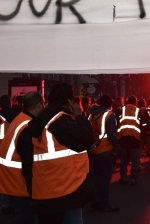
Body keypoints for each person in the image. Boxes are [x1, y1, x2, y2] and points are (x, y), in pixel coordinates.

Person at [18, 83, 94, 224]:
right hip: (67, 192)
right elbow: (87, 139)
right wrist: (79, 116)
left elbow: (27, 162)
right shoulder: (61, 120)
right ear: (69, 101)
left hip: (43, 194)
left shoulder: (37, 122)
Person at [0, 92, 44, 224]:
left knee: (21, 215)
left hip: (12, 179)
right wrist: (33, 189)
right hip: (21, 184)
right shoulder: (27, 126)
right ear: (39, 105)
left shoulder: (20, 119)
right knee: (27, 218)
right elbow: (28, 161)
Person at [87, 94, 120, 213]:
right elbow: (111, 135)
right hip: (105, 151)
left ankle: (96, 201)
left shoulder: (90, 114)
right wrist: (117, 147)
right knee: (105, 180)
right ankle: (104, 203)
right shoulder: (109, 115)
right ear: (110, 104)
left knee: (96, 178)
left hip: (93, 150)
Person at [117, 95, 141, 185]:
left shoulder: (121, 110)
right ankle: (133, 178)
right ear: (135, 102)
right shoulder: (138, 111)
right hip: (134, 138)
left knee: (123, 159)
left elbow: (117, 122)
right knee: (134, 159)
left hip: (123, 137)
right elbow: (144, 124)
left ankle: (123, 177)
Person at [137, 98, 150, 171]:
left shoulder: (137, 111)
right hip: (149, 132)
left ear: (138, 104)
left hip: (140, 133)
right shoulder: (149, 110)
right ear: (145, 103)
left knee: (138, 150)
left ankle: (138, 166)